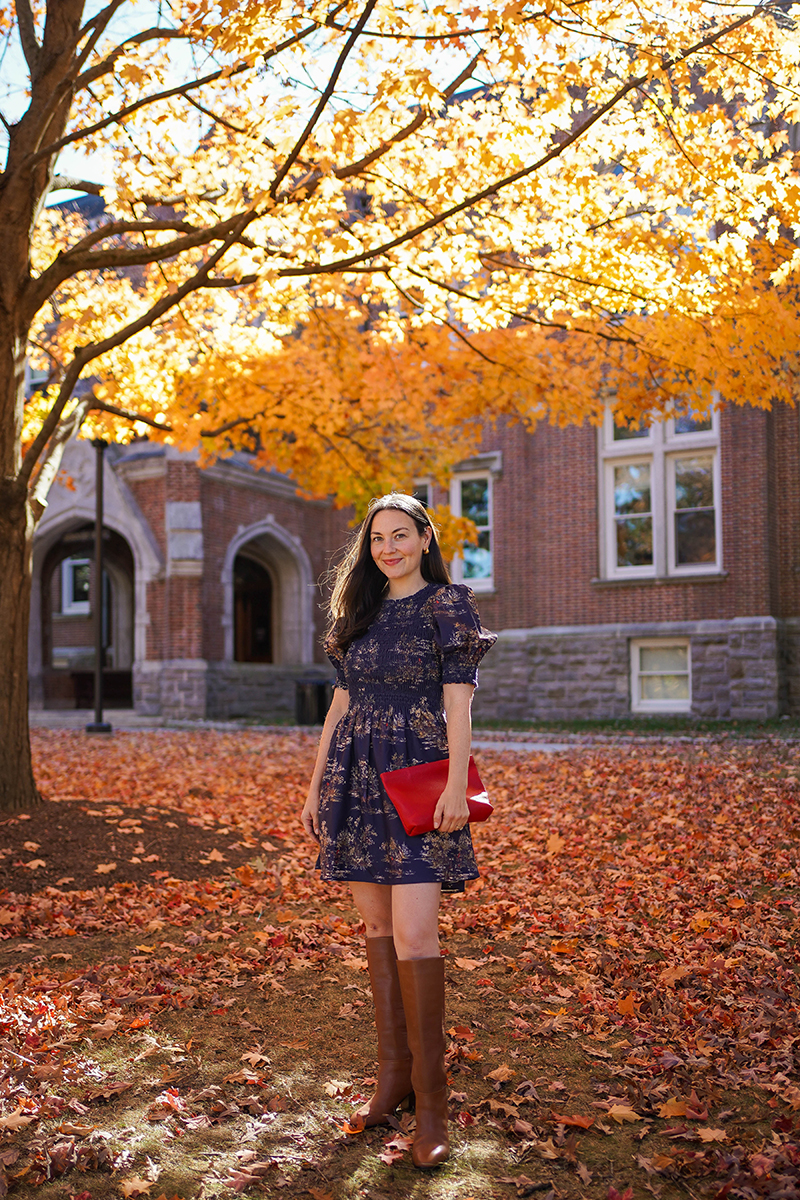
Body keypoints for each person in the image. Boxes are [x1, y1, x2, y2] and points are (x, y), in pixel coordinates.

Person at [301, 492, 496, 1169]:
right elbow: (342, 701)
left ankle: (433, 1100)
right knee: (378, 931)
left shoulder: (447, 606)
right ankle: (393, 1079)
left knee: (417, 931)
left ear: (423, 539)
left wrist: (455, 786)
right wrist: (315, 783)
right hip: (355, 781)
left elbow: (459, 706)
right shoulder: (360, 611)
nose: (389, 547)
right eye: (378, 537)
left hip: (418, 780)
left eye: (401, 535)